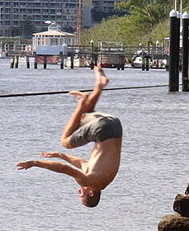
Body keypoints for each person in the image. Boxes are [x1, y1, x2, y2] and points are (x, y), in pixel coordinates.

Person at [17, 65, 122, 207]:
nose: (79, 190)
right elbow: (65, 169)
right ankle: (82, 101)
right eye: (81, 193)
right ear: (90, 193)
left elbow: (82, 163)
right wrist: (36, 163)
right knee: (65, 141)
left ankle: (100, 85)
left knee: (83, 117)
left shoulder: (100, 178)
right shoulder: (88, 181)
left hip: (115, 125)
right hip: (103, 131)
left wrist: (61, 155)